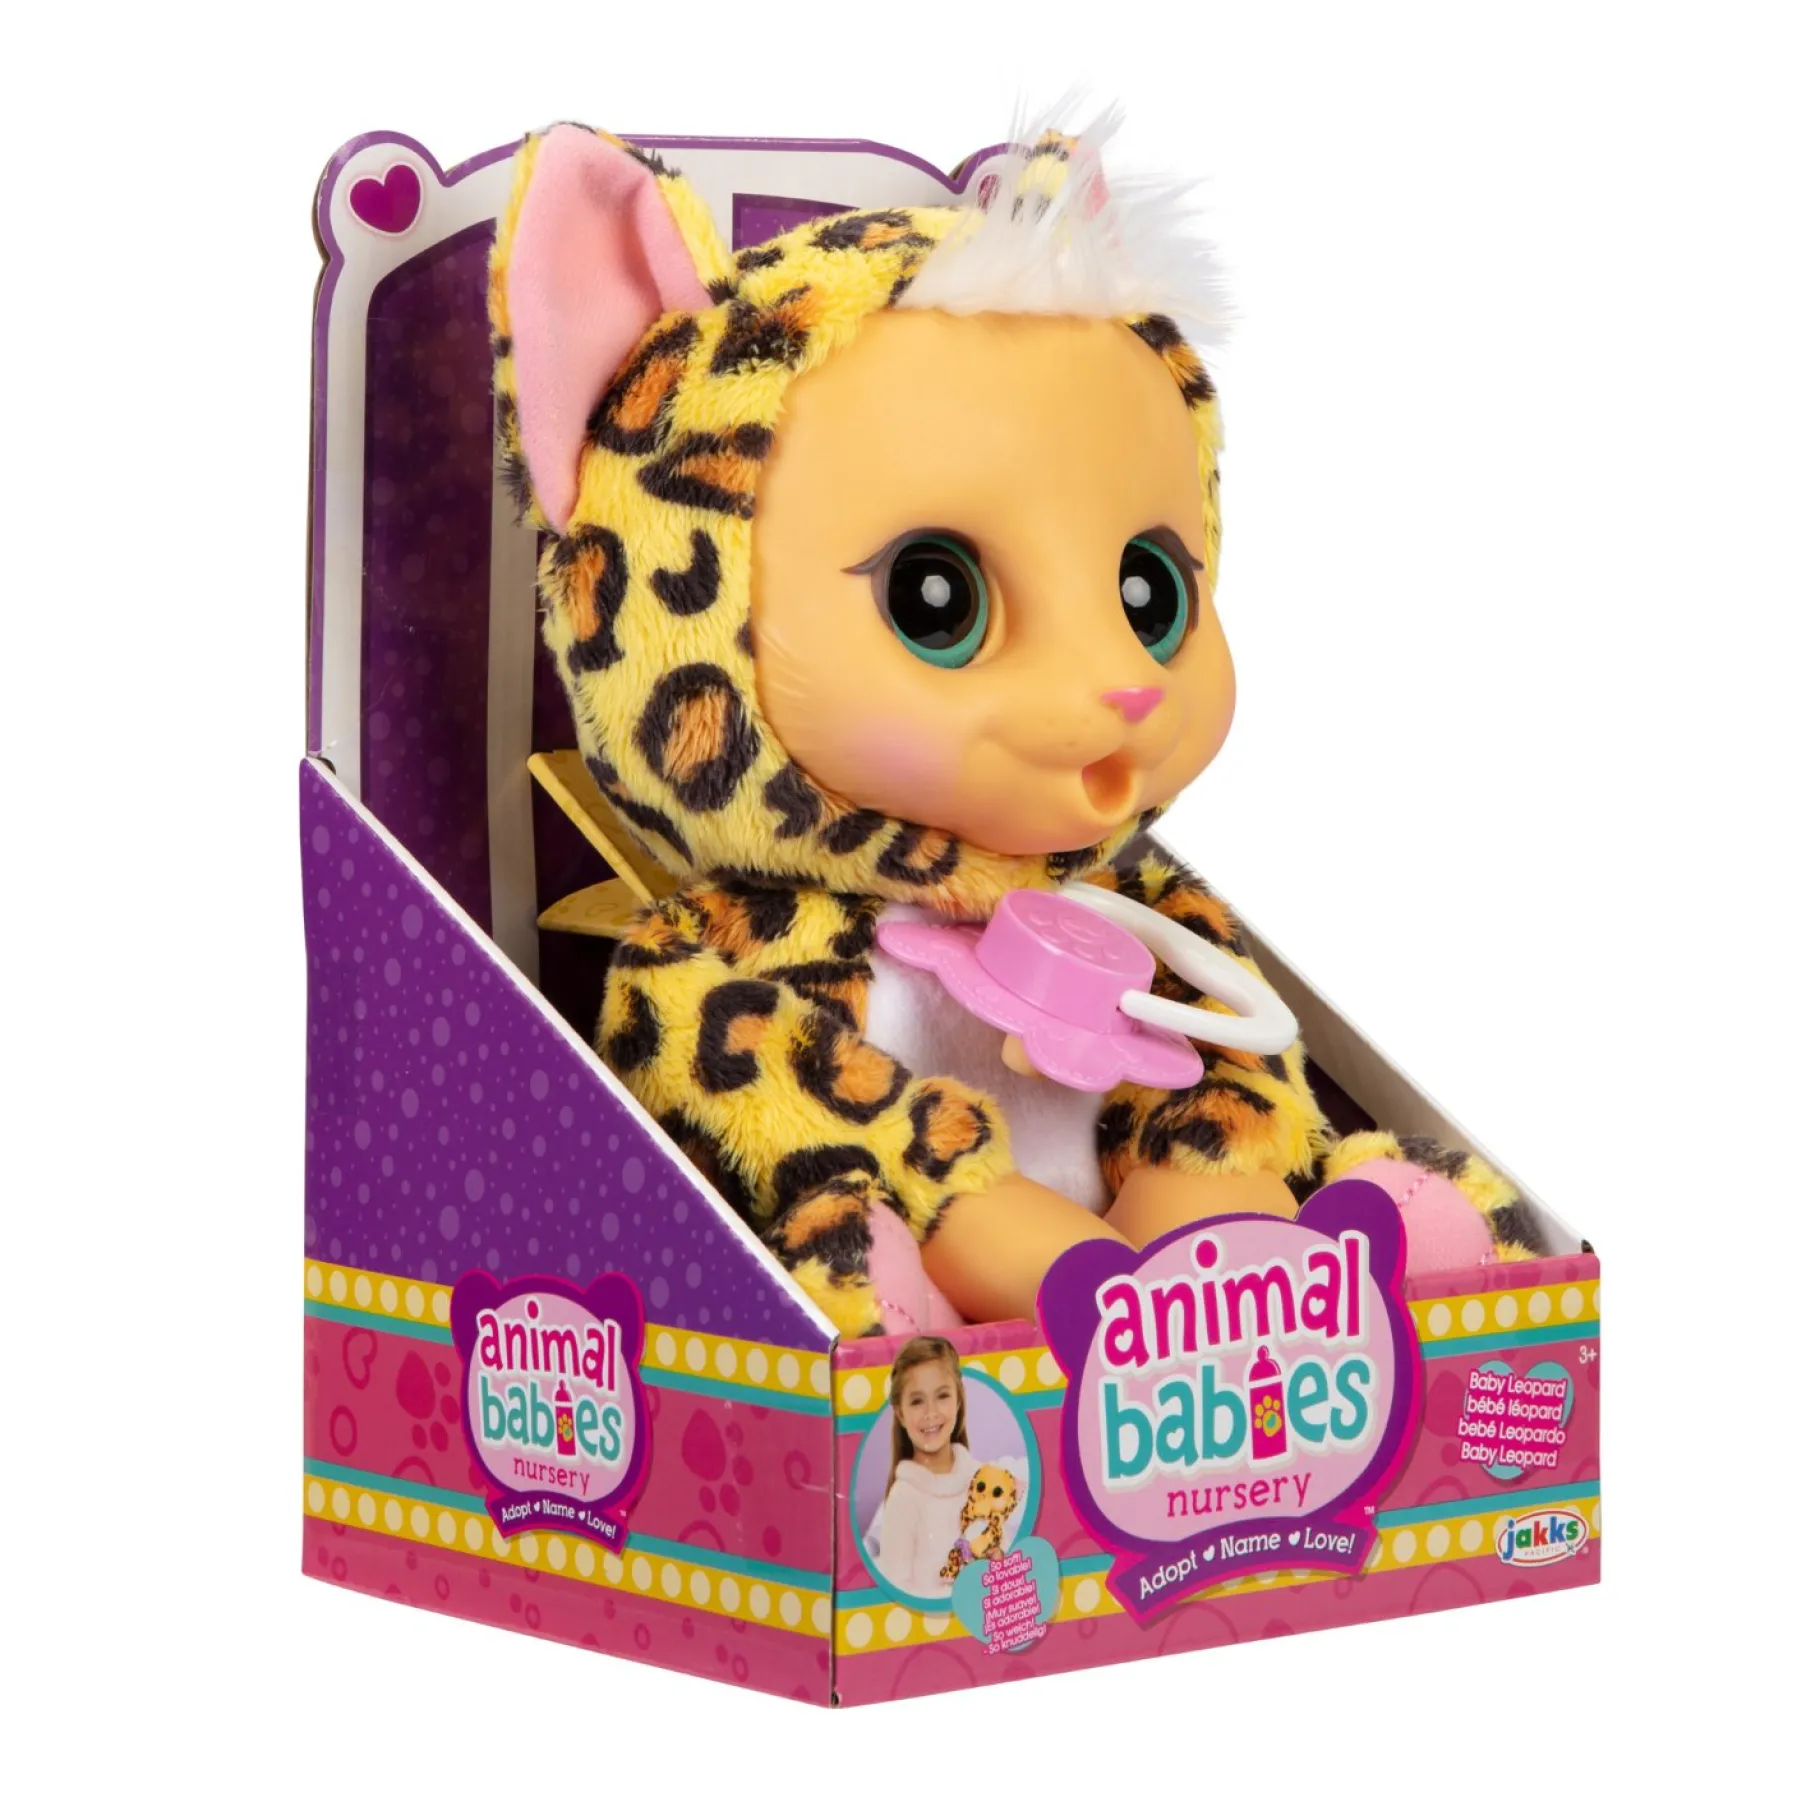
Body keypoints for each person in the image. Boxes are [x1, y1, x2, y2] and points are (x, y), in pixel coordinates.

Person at [874, 1338, 974, 1599]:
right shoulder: (904, 1498)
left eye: (942, 1396)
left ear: (958, 1399)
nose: (931, 1412)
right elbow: (896, 1591)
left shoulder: (980, 1480)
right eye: (917, 1401)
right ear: (900, 1414)